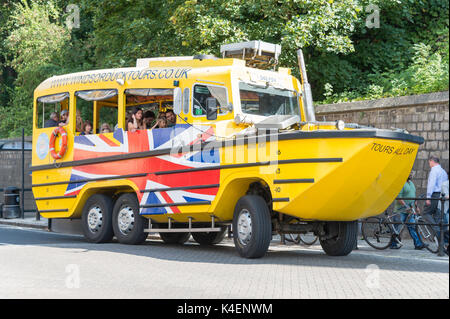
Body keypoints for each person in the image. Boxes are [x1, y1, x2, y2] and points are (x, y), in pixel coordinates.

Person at [390, 174, 427, 250]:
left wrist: (416, 207)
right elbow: (398, 197)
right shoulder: (401, 183)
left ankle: (418, 244)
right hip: (401, 210)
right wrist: (406, 206)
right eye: (409, 173)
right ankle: (393, 244)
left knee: (413, 227)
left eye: (411, 173)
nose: (411, 174)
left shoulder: (411, 183)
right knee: (397, 227)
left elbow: (413, 197)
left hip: (410, 210)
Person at [423, 156, 449, 245]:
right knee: (439, 218)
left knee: (426, 213)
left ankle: (436, 230)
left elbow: (431, 184)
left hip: (434, 195)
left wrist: (428, 197)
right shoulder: (443, 171)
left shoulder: (434, 170)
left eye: (429, 162)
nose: (429, 164)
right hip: (442, 196)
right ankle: (443, 243)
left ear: (432, 161)